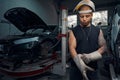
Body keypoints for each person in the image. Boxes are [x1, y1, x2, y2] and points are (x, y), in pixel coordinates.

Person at [68, 0, 107, 80]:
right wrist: (79, 64)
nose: (84, 19)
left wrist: (90, 57)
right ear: (79, 16)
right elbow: (72, 47)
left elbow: (103, 47)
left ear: (91, 15)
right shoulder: (73, 31)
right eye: (82, 17)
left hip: (92, 67)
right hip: (76, 67)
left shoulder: (98, 30)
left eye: (87, 16)